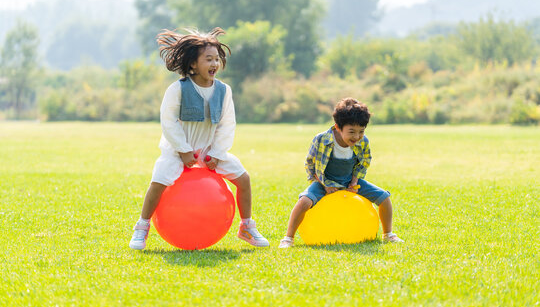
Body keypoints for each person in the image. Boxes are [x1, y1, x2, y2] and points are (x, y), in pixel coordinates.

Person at [129, 27, 269, 250]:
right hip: (178, 151)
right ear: (193, 64)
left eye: (217, 59)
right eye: (208, 59)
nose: (214, 64)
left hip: (209, 152)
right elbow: (168, 121)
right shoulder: (178, 89)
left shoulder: (224, 91)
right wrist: (183, 150)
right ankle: (142, 227)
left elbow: (227, 124)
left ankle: (246, 226)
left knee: (244, 179)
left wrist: (216, 154)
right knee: (158, 181)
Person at [279, 98, 403, 248]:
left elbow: (364, 162)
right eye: (352, 132)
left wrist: (354, 181)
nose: (356, 137)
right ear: (338, 127)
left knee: (385, 198)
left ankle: (388, 234)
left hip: (349, 180)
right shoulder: (321, 140)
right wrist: (325, 185)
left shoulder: (363, 142)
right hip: (323, 181)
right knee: (304, 202)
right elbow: (310, 164)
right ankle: (288, 238)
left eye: (361, 131)